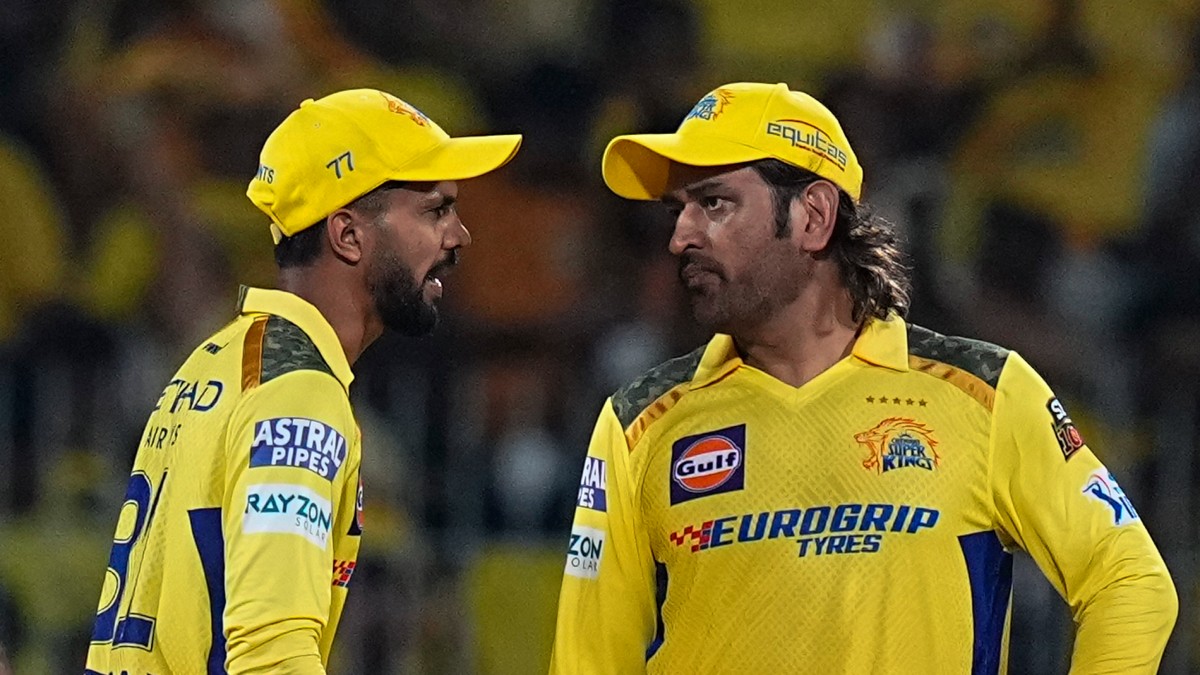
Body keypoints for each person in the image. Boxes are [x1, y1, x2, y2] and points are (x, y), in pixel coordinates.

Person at [550, 82, 1177, 673]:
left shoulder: (984, 392)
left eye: (713, 202)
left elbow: (1130, 581)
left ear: (814, 216)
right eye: (677, 210)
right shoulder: (638, 422)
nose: (680, 236)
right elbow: (588, 661)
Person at [85, 88, 520, 674]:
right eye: (436, 211)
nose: (460, 235)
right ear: (348, 235)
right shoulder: (297, 394)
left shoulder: (216, 362)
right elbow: (272, 654)